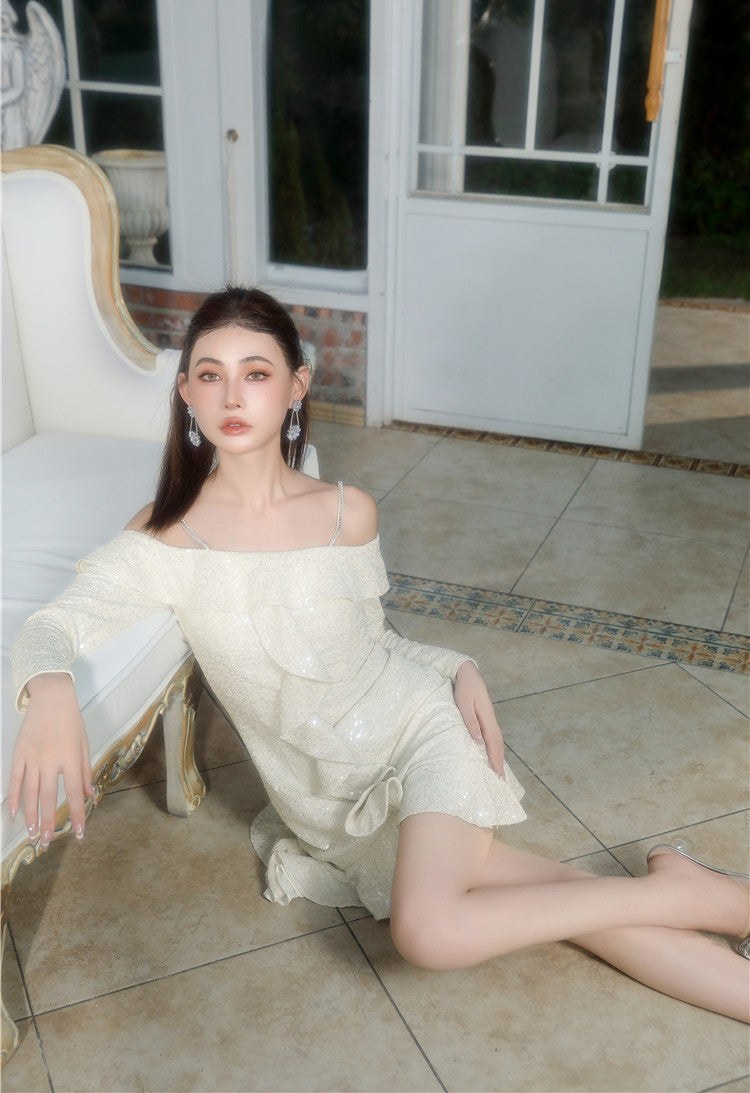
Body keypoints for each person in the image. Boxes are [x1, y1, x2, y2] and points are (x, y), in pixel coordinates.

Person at [8, 287, 749, 1024]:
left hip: (415, 735)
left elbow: (376, 644)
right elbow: (52, 625)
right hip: (327, 805)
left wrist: (456, 666)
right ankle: (707, 898)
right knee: (558, 900)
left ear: (296, 386)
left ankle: (680, 892)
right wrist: (50, 689)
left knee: (429, 930)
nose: (232, 394)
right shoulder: (164, 538)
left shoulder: (346, 512)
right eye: (210, 374)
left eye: (256, 373)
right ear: (186, 394)